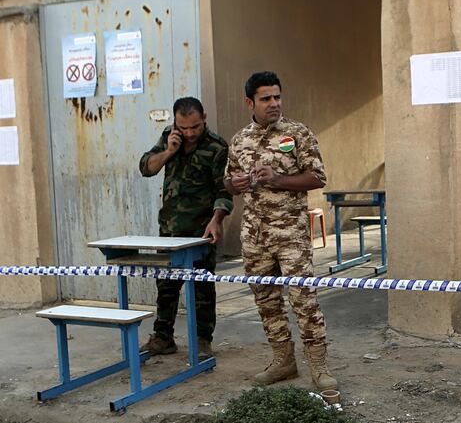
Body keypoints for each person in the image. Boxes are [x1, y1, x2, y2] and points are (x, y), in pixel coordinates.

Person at [223, 71, 336, 391]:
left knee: (304, 299)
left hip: (290, 234)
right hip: (255, 235)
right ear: (250, 102)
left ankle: (319, 366)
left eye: (277, 97)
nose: (274, 103)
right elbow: (228, 181)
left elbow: (317, 178)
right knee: (266, 300)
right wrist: (235, 184)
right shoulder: (239, 140)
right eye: (266, 98)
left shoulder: (298, 134)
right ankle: (283, 360)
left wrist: (277, 179)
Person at [139, 97, 232, 361]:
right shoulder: (169, 136)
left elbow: (223, 191)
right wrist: (169, 151)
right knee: (166, 285)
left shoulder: (217, 147)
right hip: (170, 230)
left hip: (201, 232)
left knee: (202, 288)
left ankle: (203, 340)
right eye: (184, 127)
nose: (190, 133)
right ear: (175, 123)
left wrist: (217, 220)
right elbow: (146, 168)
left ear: (204, 118)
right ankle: (163, 337)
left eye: (195, 127)